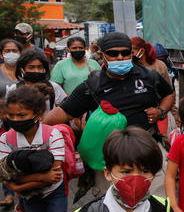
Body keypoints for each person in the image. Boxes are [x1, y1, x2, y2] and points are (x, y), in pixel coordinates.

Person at [43, 32, 175, 202]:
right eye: (113, 53)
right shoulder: (92, 85)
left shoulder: (148, 76)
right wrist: (36, 126)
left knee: (157, 199)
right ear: (102, 55)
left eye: (125, 52)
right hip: (109, 155)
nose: (120, 57)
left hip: (147, 147)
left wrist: (161, 111)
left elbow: (169, 95)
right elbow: (63, 113)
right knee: (113, 204)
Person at [0, 86, 67, 212]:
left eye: (21, 115)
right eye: (10, 115)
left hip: (54, 192)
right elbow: (5, 176)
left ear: (38, 115)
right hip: (30, 197)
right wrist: (38, 177)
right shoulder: (6, 139)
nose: (15, 119)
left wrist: (17, 184)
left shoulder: (52, 134)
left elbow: (55, 175)